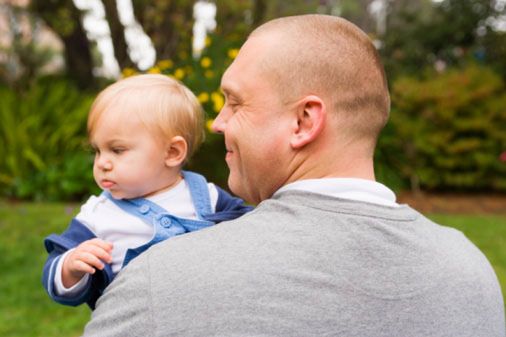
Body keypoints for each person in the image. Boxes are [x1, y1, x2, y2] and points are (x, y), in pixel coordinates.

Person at [82, 15, 505, 336]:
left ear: (304, 120)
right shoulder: (471, 272)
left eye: (235, 102)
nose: (217, 123)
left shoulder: (160, 281)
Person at [42, 74, 252, 309]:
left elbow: (255, 227)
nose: (102, 163)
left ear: (172, 152)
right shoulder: (98, 216)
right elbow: (56, 274)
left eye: (117, 150)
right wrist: (70, 267)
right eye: (98, 151)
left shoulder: (207, 196)